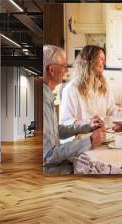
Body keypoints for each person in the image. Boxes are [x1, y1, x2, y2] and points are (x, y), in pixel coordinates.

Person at [43, 45, 106, 175]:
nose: (67, 70)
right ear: (51, 70)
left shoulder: (47, 96)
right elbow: (48, 155)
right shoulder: (43, 101)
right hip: (55, 169)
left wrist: (88, 126)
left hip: (61, 161)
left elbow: (57, 130)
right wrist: (89, 141)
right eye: (63, 66)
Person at [60, 45, 118, 126]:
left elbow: (111, 110)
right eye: (101, 59)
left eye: (104, 59)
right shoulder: (71, 89)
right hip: (82, 137)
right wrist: (88, 123)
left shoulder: (104, 86)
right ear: (89, 60)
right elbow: (65, 123)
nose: (104, 63)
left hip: (102, 135)